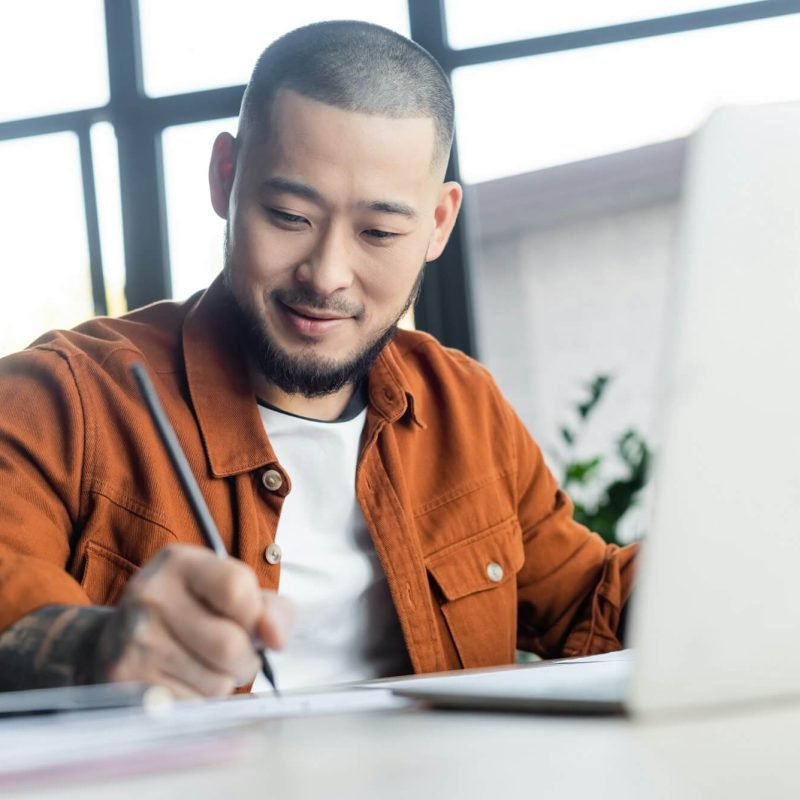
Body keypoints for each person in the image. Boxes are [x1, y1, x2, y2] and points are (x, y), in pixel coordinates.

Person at [0, 21, 636, 697]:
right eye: (287, 215)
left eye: (379, 232)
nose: (328, 274)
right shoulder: (62, 400)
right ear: (225, 179)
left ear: (438, 225)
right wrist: (98, 649)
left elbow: (590, 604)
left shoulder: (462, 404)